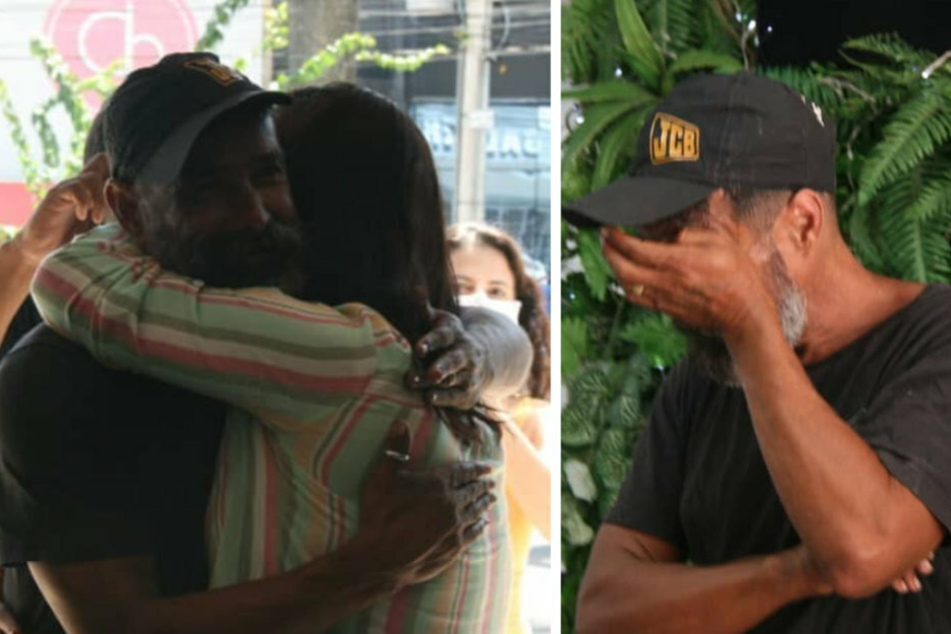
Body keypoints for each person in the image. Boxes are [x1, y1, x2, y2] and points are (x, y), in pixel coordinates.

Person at [0, 54, 529, 634]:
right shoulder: (59, 379)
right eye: (204, 190)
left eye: (271, 175)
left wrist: (486, 345)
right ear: (126, 209)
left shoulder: (333, 343)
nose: (254, 215)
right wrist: (373, 566)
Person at [566, 72, 950, 634]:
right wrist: (798, 570)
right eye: (655, 242)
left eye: (694, 243)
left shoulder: (934, 338)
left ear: (803, 223)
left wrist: (750, 321)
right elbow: (604, 612)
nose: (674, 279)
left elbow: (863, 548)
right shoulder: (702, 379)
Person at [447, 222, 552, 634]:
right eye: (463, 286)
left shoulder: (529, 418)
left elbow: (549, 519)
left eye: (496, 292)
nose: (479, 301)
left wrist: (487, 398)